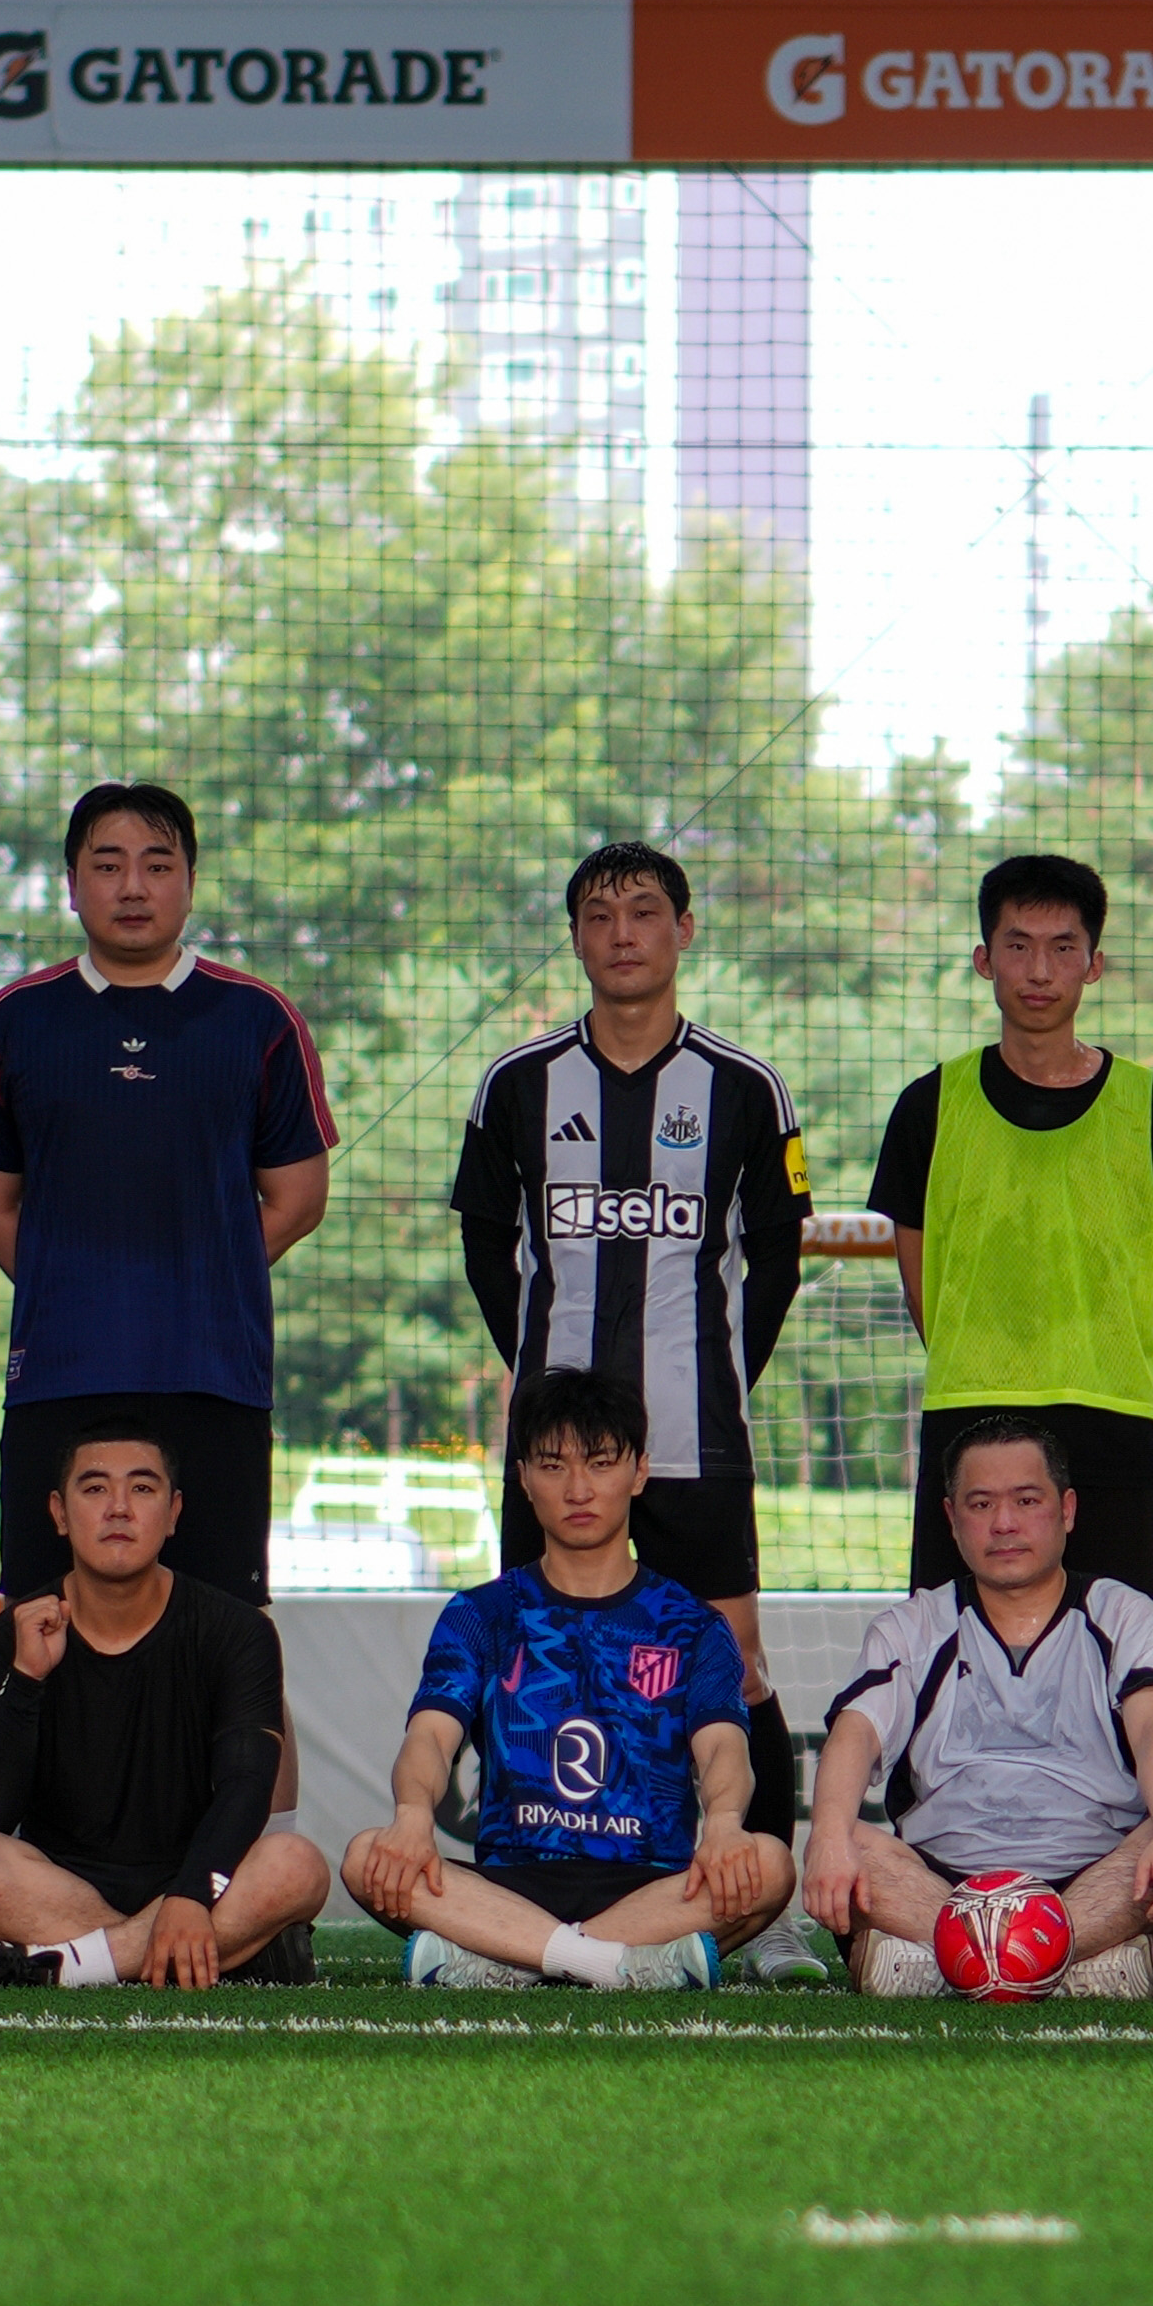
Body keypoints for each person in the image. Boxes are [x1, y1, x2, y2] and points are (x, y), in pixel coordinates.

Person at [451, 839, 812, 1974]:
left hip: (695, 1433)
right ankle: (519, 1898)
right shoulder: (516, 1083)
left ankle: (764, 1911)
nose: (623, 933)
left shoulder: (746, 1088)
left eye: (645, 911)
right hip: (555, 1447)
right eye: (600, 914)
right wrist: (541, 1384)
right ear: (575, 937)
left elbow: (779, 1254)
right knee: (532, 1651)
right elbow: (483, 1241)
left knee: (735, 1661)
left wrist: (721, 1374)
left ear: (683, 931)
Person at [0, 781, 335, 1613]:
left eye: (157, 865)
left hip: (214, 1380)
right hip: (59, 1378)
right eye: (107, 864)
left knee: (224, 1632)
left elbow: (298, 1198)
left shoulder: (257, 1018)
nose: (132, 886)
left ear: (190, 882)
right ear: (71, 883)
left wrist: (206, 1271)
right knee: (45, 1625)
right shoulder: (12, 1021)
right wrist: (68, 1280)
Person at [345, 1370, 786, 1990]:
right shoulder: (481, 1613)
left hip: (651, 1883)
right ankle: (611, 1964)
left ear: (639, 1471)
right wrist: (413, 1814)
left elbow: (723, 1748)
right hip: (512, 1881)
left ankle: (512, 1957)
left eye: (601, 1464)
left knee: (770, 1865)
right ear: (524, 1478)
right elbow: (431, 1737)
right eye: (553, 1466)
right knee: (367, 1856)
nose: (578, 1490)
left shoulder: (694, 1626)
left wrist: (724, 1823)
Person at [866, 853, 1153, 1602]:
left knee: (1121, 1650)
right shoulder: (929, 1106)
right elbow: (921, 1283)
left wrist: (1097, 1356)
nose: (1038, 969)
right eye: (1018, 945)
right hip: (968, 1416)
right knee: (954, 1651)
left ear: (1094, 965)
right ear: (983, 960)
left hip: (1110, 1419)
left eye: (1063, 947)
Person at [802, 1414, 1153, 1998]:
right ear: (951, 1519)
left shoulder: (1129, 1618)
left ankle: (953, 1964)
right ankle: (1070, 1969)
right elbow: (855, 1734)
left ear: (1067, 1510)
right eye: (980, 1504)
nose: (1003, 1523)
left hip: (1088, 1880)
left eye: (1026, 1500)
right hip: (943, 1884)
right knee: (845, 1838)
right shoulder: (911, 1626)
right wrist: (827, 1836)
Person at [0, 1418, 331, 1991]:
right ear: (60, 1513)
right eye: (94, 1488)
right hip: (57, 1883)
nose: (118, 1508)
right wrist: (27, 1679)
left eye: (141, 1488)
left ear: (173, 1511)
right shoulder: (5, 1641)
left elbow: (247, 1786)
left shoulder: (237, 1631)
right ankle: (221, 1957)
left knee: (297, 1865)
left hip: (196, 1872)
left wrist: (190, 1894)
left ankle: (64, 1968)